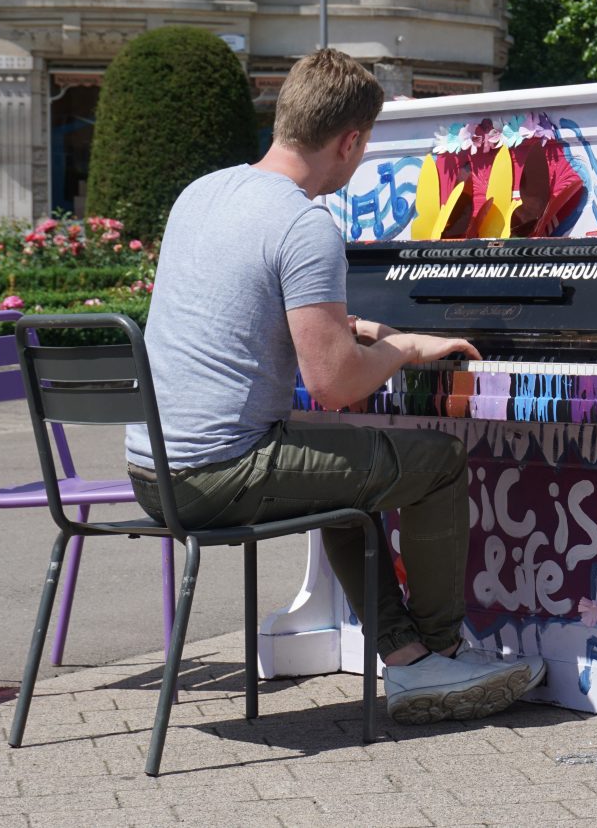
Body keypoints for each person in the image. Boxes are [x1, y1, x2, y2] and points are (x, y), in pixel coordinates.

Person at [125, 49, 543, 725]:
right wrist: (404, 346)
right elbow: (335, 385)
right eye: (366, 144)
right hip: (215, 474)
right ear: (349, 140)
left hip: (153, 469)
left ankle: (404, 657)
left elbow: (260, 306)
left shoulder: (201, 193)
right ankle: (437, 659)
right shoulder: (303, 223)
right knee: (436, 461)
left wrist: (365, 327)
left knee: (352, 462)